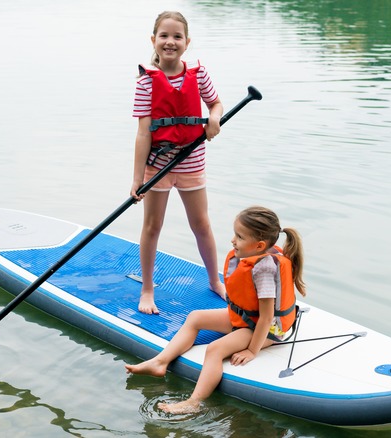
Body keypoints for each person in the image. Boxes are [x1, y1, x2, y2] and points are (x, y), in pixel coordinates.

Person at [125, 206, 307, 414]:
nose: (232, 240)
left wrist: (251, 350)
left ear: (259, 245)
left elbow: (266, 318)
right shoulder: (255, 257)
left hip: (267, 330)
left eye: (239, 236)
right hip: (247, 320)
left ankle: (193, 402)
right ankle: (160, 362)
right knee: (195, 317)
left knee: (215, 350)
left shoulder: (264, 269)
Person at [130, 11, 226, 315]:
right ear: (154, 40)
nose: (170, 42)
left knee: (201, 224)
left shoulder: (198, 75)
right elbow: (144, 132)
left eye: (177, 37)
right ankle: (147, 289)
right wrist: (136, 179)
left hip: (191, 159)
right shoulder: (146, 82)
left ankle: (214, 281)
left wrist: (213, 119)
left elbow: (216, 103)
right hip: (158, 164)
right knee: (152, 226)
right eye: (164, 36)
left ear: (187, 42)